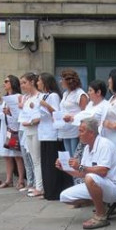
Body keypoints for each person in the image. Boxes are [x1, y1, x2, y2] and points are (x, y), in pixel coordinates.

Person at [58, 117, 116, 229]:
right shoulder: (86, 149)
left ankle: (101, 216)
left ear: (91, 133)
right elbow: (82, 173)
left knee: (90, 178)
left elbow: (103, 171)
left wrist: (80, 166)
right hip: (99, 183)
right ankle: (101, 203)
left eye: (81, 131)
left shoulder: (105, 144)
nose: (78, 134)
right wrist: (65, 168)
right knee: (64, 196)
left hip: (115, 187)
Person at [37, 72, 67, 200]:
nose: (37, 83)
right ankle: (47, 190)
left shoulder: (53, 96)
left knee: (51, 164)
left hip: (51, 134)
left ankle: (54, 191)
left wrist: (46, 106)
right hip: (43, 133)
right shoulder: (44, 95)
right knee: (45, 164)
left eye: (39, 80)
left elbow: (56, 113)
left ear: (45, 82)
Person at [0, 75, 26, 188]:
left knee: (17, 155)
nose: (4, 84)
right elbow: (2, 114)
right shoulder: (5, 98)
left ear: (12, 83)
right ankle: (8, 179)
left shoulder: (18, 97)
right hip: (6, 128)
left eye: (6, 81)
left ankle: (21, 180)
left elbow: (19, 115)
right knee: (7, 155)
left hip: (14, 128)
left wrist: (10, 113)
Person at [19, 72, 44, 197]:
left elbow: (41, 116)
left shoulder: (40, 96)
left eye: (24, 83)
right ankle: (36, 184)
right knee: (33, 159)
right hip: (27, 130)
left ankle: (40, 187)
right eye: (21, 83)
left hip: (36, 130)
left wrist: (31, 122)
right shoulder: (26, 98)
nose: (22, 86)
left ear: (32, 82)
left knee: (37, 159)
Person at [59, 69, 88, 156]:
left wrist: (82, 130)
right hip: (65, 129)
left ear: (69, 81)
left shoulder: (80, 94)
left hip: (75, 129)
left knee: (75, 156)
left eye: (62, 79)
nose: (61, 82)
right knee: (68, 156)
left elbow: (85, 113)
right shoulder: (65, 94)